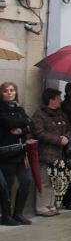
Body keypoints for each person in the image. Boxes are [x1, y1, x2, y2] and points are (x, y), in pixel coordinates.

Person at [32, 88, 71, 215]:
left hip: (59, 153)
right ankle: (41, 207)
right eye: (58, 98)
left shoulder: (61, 114)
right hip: (45, 153)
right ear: (51, 100)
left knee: (54, 180)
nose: (60, 101)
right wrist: (57, 140)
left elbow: (69, 129)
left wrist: (67, 137)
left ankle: (51, 205)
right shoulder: (39, 114)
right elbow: (39, 132)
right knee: (44, 180)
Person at [0, 82, 33, 225]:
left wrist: (21, 130)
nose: (9, 93)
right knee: (7, 184)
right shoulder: (1, 108)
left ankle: (18, 213)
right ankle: (6, 215)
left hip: (20, 152)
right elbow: (8, 122)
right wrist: (22, 123)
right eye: (6, 91)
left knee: (26, 180)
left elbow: (30, 124)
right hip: (6, 152)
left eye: (12, 90)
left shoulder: (19, 108)